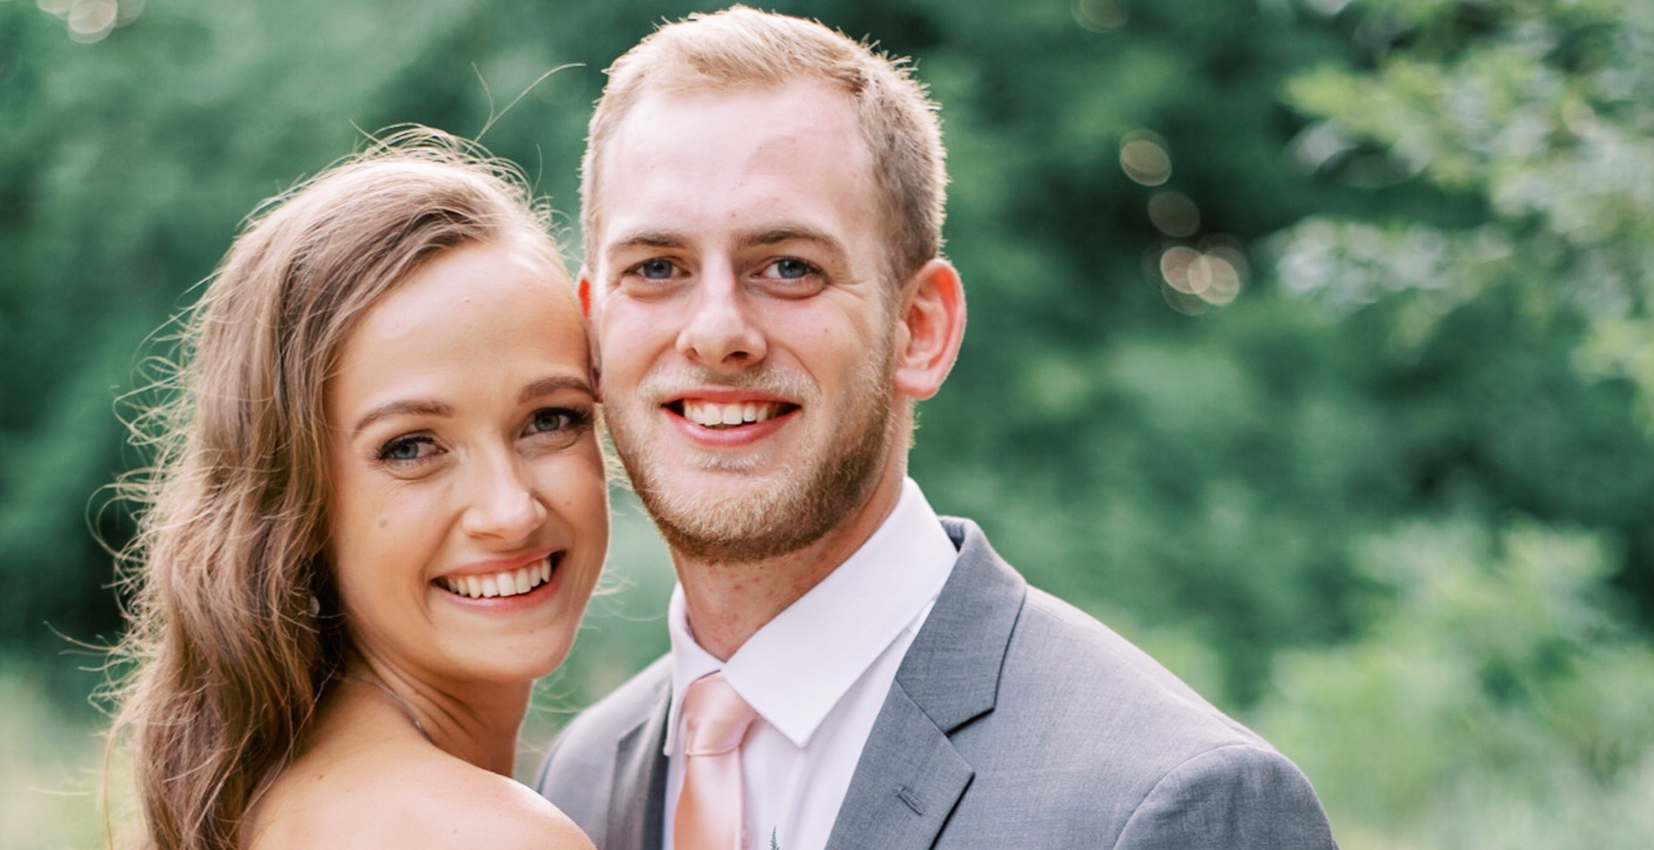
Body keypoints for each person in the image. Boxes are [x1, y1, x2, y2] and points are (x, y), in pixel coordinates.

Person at [535, 8, 1339, 850]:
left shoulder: (1174, 803)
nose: (715, 330)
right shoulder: (580, 781)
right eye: (656, 268)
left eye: (788, 267)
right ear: (593, 329)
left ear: (920, 329)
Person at [108, 132, 603, 850]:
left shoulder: (274, 799)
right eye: (410, 447)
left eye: (549, 420)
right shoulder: (485, 837)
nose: (510, 511)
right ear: (294, 501)